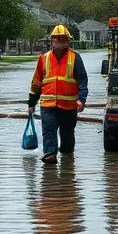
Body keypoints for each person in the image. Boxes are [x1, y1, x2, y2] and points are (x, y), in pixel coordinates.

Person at [27, 24, 88, 164]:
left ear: (68, 41)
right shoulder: (44, 59)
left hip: (69, 106)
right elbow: (36, 83)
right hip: (48, 105)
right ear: (52, 41)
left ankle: (67, 159)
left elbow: (82, 81)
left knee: (67, 136)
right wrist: (31, 104)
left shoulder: (75, 58)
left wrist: (81, 100)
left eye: (63, 39)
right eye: (58, 39)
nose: (61, 41)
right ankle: (50, 155)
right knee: (49, 131)